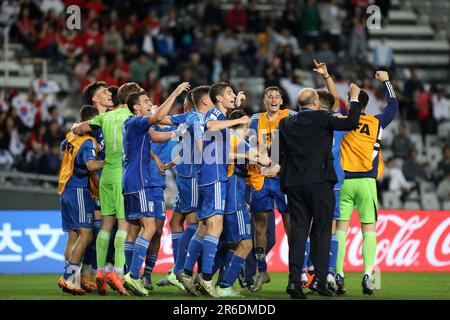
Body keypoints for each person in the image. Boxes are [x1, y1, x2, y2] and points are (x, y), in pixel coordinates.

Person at [279, 83, 362, 299]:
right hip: (320, 183)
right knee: (322, 231)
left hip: (294, 185)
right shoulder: (323, 118)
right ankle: (319, 280)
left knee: (298, 233)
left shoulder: (285, 122)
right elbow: (353, 122)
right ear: (315, 103)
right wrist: (354, 98)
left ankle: (294, 282)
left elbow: (277, 152)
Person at [176, 82, 249, 297]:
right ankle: (207, 278)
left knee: (204, 226)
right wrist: (240, 119)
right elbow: (211, 126)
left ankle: (188, 271)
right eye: (229, 93)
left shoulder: (218, 116)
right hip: (215, 175)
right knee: (215, 227)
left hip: (206, 175)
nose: (233, 95)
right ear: (217, 98)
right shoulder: (214, 114)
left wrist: (258, 156)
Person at [73, 82, 143, 295]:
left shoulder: (105, 117)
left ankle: (101, 271)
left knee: (105, 226)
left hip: (106, 176)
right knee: (124, 227)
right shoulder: (132, 118)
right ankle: (119, 274)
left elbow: (78, 129)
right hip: (123, 174)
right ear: (133, 101)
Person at [336, 71, 399, 296]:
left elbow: (334, 104)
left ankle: (338, 275)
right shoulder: (376, 122)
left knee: (340, 231)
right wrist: (386, 81)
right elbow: (393, 105)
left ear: (349, 102)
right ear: (367, 103)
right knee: (369, 231)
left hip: (343, 183)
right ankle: (367, 275)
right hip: (366, 183)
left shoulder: (341, 122)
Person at [121, 90, 189, 296]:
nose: (149, 103)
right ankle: (133, 276)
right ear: (136, 107)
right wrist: (176, 92)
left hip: (133, 181)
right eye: (145, 101)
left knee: (138, 227)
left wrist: (177, 133)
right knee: (149, 227)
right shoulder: (136, 121)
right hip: (140, 181)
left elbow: (156, 136)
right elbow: (158, 118)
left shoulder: (135, 125)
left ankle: (134, 276)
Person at [216, 109, 272, 297]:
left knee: (230, 244)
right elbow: (265, 161)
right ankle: (224, 285)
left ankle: (213, 280)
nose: (250, 131)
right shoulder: (238, 142)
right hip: (234, 199)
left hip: (232, 197)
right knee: (246, 244)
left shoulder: (229, 141)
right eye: (248, 127)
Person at [247, 86, 295, 292]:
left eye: (277, 97)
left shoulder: (290, 117)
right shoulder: (255, 120)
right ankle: (261, 270)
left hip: (284, 179)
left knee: (291, 227)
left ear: (282, 101)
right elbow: (249, 148)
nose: (274, 99)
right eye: (270, 97)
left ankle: (296, 272)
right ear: (265, 101)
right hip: (261, 180)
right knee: (260, 227)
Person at [57, 105, 104, 295]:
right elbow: (91, 164)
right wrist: (111, 160)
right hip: (78, 189)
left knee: (74, 235)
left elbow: (63, 147)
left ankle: (71, 277)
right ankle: (69, 278)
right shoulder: (88, 142)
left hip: (64, 187)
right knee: (87, 234)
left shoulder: (71, 136)